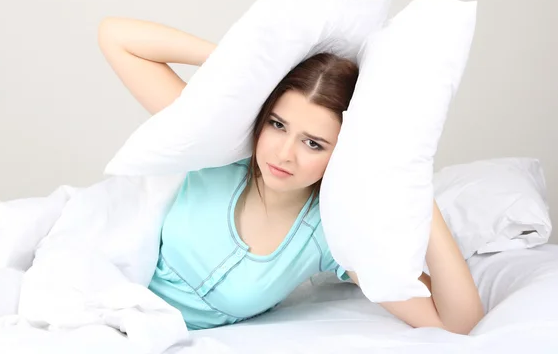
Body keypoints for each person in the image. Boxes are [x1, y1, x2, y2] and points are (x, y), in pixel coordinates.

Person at [97, 17, 485, 334]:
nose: (284, 154)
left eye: (313, 143)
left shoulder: (332, 233)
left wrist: (412, 183)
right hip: (99, 289)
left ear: (345, 153)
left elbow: (458, 322)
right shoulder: (220, 152)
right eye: (278, 125)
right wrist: (245, 70)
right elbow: (116, 36)